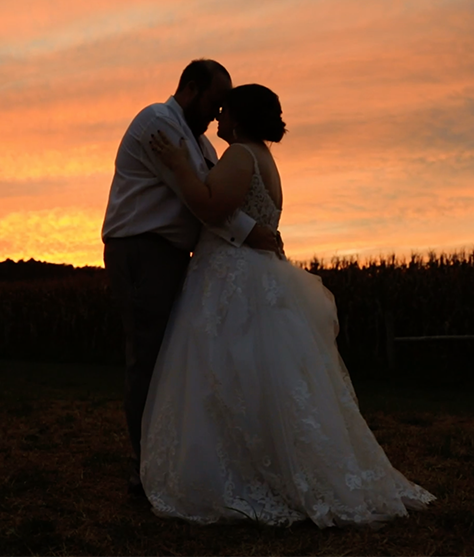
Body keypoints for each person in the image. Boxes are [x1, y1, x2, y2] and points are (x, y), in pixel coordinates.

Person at [141, 84, 435, 527]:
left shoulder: (241, 154)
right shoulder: (264, 158)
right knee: (260, 377)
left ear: (238, 119)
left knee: (225, 373)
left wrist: (181, 166)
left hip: (233, 277)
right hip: (253, 271)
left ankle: (242, 475)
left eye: (225, 113)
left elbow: (211, 207)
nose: (218, 119)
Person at [101, 60, 282, 497]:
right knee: (148, 355)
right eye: (215, 102)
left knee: (173, 358)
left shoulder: (200, 142)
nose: (219, 113)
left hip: (173, 251)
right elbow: (201, 200)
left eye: (226, 107)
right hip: (142, 247)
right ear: (191, 87)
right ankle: (146, 466)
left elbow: (213, 197)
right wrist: (254, 234)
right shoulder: (158, 124)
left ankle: (174, 458)